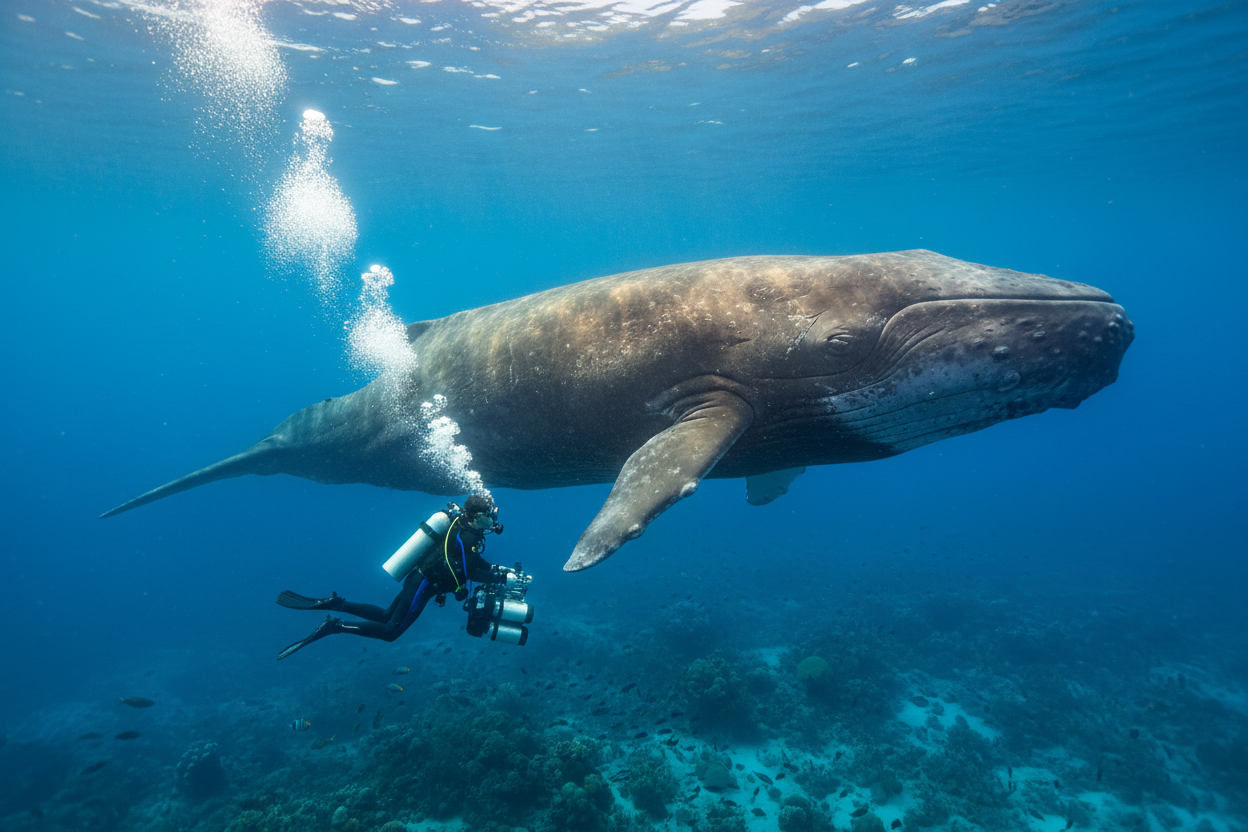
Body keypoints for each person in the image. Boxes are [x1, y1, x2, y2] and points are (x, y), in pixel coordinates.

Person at [275, 494, 502, 660]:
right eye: (488, 517)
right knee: (391, 631)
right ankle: (335, 626)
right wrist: (498, 578)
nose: (492, 522)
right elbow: (470, 569)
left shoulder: (461, 525)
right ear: (477, 516)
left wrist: (495, 571)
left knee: (385, 616)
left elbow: (469, 562)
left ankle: (337, 603)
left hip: (418, 578)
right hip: (424, 585)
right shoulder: (468, 537)